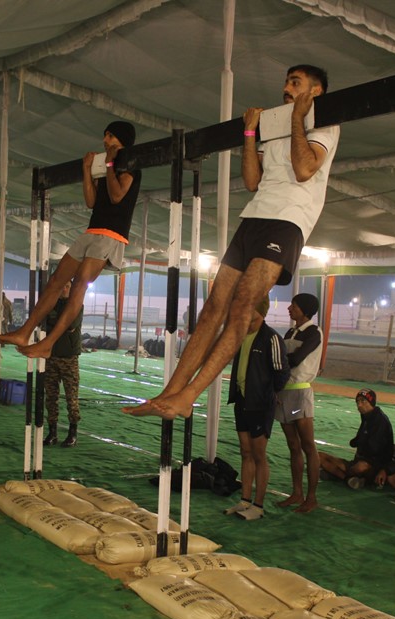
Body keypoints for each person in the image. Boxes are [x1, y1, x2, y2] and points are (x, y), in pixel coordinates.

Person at [124, 65, 339, 421]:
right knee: (213, 307)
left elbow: (304, 169)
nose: (286, 87)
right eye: (285, 81)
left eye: (295, 83)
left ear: (315, 91)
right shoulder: (275, 123)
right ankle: (169, 392)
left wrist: (297, 120)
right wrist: (251, 132)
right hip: (254, 217)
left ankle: (188, 397)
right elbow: (252, 181)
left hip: (287, 222)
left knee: (242, 307)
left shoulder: (325, 122)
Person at [0, 120, 141, 358]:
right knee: (56, 281)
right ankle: (25, 331)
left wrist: (109, 164)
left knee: (78, 287)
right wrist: (87, 171)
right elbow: (92, 202)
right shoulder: (106, 166)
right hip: (92, 231)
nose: (105, 141)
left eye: (110, 136)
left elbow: (116, 196)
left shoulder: (131, 165)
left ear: (123, 139)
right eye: (105, 136)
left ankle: (49, 343)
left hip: (111, 235)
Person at [223, 298, 289, 521]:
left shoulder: (271, 338)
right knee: (245, 451)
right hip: (242, 401)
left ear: (258, 311)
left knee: (259, 454)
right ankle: (244, 500)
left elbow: (282, 372)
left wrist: (269, 394)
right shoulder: (241, 335)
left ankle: (258, 506)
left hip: (260, 404)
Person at [275, 292, 323, 513]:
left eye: (293, 306)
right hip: (284, 392)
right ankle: (296, 493)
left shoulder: (314, 333)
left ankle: (311, 497)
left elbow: (295, 359)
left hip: (299, 394)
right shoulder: (291, 331)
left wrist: (275, 360)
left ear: (304, 309)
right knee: (293, 446)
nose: (289, 309)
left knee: (307, 446)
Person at [318, 388, 393, 489]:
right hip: (358, 461)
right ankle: (348, 479)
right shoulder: (366, 417)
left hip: (373, 465)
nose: (359, 405)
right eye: (357, 401)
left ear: (371, 402)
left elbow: (374, 448)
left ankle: (339, 476)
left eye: (363, 401)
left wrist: (360, 442)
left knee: (360, 468)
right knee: (318, 456)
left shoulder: (380, 421)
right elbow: (356, 441)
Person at [43, 280, 84, 448]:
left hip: (69, 358)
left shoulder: (76, 305)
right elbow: (46, 324)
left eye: (68, 286)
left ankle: (72, 433)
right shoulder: (50, 304)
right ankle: (52, 432)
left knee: (71, 398)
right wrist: (60, 323)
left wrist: (57, 323)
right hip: (51, 357)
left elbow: (71, 325)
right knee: (51, 397)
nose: (65, 289)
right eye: (62, 286)